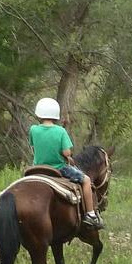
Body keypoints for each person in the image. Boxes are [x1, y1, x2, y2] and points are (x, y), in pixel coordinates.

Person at [30, 97, 104, 228]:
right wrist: (67, 156)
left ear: (39, 114)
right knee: (86, 180)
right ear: (55, 115)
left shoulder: (33, 129)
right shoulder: (60, 131)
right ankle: (91, 214)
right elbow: (67, 153)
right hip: (58, 168)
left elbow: (33, 147)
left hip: (37, 168)